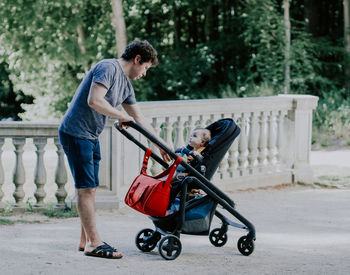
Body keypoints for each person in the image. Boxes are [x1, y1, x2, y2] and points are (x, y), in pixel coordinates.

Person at [59, 40, 171, 259]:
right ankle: (94, 243)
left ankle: (85, 240)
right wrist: (121, 115)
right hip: (75, 132)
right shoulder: (108, 68)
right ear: (137, 59)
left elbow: (139, 118)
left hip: (90, 135)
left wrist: (160, 144)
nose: (144, 74)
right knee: (85, 188)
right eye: (146, 68)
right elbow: (94, 100)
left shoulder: (126, 86)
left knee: (90, 188)